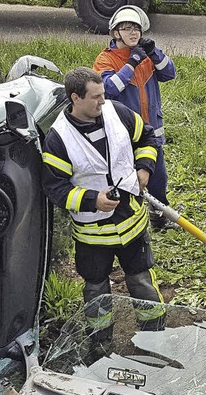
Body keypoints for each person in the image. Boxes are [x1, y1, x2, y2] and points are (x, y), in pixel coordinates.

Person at [41, 67, 165, 341]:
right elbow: (55, 188)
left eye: (103, 95)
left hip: (132, 222)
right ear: (75, 98)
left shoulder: (117, 112)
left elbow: (147, 137)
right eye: (96, 97)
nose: (102, 101)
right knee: (96, 289)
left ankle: (155, 337)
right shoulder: (58, 139)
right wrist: (91, 199)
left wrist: (145, 168)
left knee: (142, 282)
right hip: (92, 235)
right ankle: (100, 343)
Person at [93, 5, 177, 230]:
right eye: (127, 28)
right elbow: (109, 89)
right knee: (127, 181)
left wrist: (154, 52)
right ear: (115, 33)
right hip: (124, 135)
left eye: (137, 29)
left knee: (158, 178)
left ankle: (159, 218)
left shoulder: (147, 55)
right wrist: (132, 63)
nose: (133, 33)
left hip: (151, 132)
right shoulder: (105, 60)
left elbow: (169, 73)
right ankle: (127, 220)